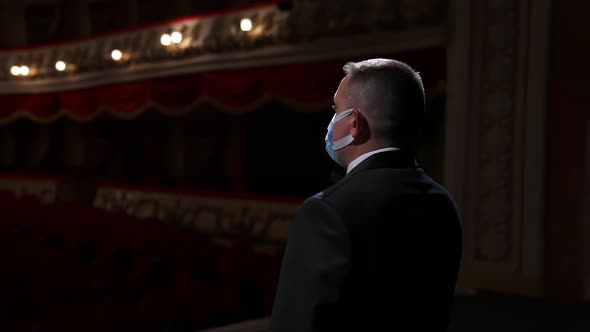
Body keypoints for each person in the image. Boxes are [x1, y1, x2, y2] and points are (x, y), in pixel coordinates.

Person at [270, 59, 463, 332]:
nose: (331, 122)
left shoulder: (327, 211)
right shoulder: (442, 202)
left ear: (355, 123)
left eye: (336, 109)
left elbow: (298, 322)